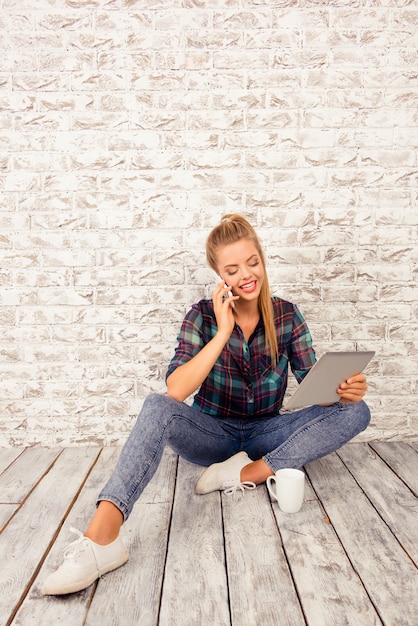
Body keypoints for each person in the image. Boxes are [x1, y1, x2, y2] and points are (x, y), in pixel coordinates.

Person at [42, 214, 370, 595]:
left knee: (358, 411)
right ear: (220, 276)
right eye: (232, 269)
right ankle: (103, 539)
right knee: (156, 405)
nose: (246, 275)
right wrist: (224, 330)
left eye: (252, 262)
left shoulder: (286, 315)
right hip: (211, 435)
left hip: (267, 432)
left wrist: (344, 389)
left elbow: (314, 384)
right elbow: (176, 391)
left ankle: (247, 474)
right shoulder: (200, 316)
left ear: (262, 260)